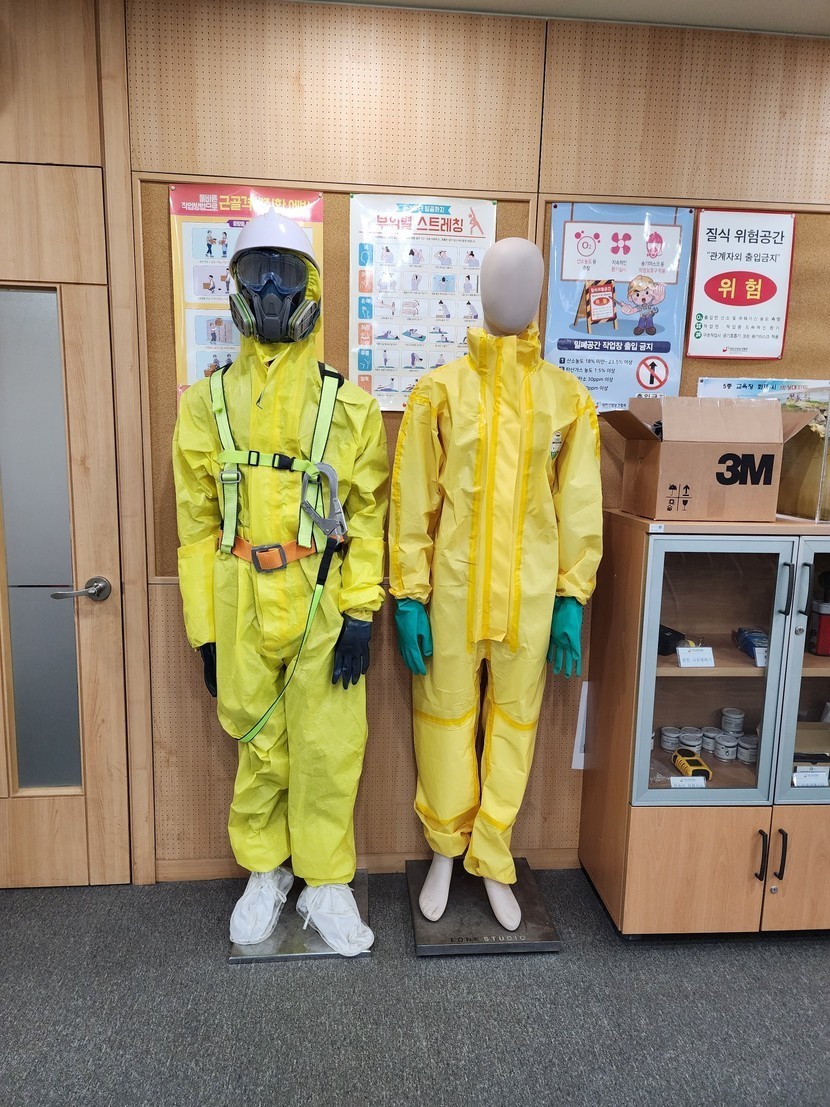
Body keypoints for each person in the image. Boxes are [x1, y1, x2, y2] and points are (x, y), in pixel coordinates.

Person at [173, 210, 388, 956]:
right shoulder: (204, 406)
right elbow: (196, 526)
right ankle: (266, 871)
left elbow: (368, 515)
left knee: (329, 746)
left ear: (311, 289)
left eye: (286, 273)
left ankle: (326, 881)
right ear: (234, 287)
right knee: (257, 743)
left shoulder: (348, 406)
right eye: (256, 274)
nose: (271, 291)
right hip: (238, 596)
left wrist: (360, 612)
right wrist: (204, 631)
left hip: (319, 593)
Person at [389, 238, 602, 931]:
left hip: (531, 597)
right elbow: (414, 501)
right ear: (480, 289)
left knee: (514, 724)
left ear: (541, 295)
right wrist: (409, 595)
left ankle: (492, 854)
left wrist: (571, 596)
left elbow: (579, 504)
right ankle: (445, 851)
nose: (511, 294)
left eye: (526, 282)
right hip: (452, 594)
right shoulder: (439, 392)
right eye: (499, 281)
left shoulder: (568, 399)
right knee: (444, 718)